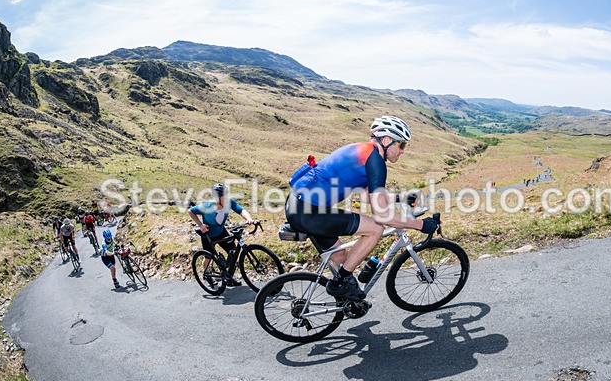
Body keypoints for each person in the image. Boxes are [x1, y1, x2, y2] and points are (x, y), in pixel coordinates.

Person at [286, 115, 439, 302]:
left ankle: (345, 301)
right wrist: (420, 224)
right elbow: (381, 215)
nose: (402, 151)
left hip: (298, 207)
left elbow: (367, 198)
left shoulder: (363, 152)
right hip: (310, 213)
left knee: (341, 257)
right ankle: (340, 283)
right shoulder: (375, 161)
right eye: (402, 145)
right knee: (375, 228)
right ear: (387, 140)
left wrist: (401, 198)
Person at [188, 183, 255, 284]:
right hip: (208, 235)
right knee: (208, 257)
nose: (227, 198)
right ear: (217, 198)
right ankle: (206, 273)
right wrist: (201, 225)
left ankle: (227, 274)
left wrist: (249, 218)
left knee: (233, 252)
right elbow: (191, 211)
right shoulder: (207, 206)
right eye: (224, 196)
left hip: (221, 232)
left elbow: (241, 210)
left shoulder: (229, 202)